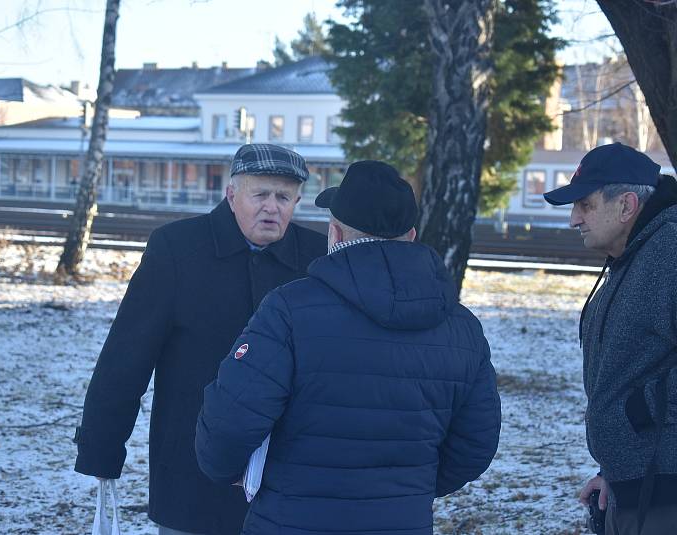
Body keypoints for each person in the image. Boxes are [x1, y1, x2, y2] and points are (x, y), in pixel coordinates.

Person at [195, 160, 501, 534]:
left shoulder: (289, 311)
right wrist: (405, 490)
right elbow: (475, 445)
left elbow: (229, 426)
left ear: (335, 234)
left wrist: (232, 472)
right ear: (413, 235)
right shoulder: (462, 328)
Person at [74, 144, 327, 535]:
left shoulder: (316, 259)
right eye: (260, 195)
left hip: (290, 473)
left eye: (283, 197)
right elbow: (127, 355)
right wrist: (101, 448)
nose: (272, 208)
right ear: (231, 194)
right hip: (192, 468)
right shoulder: (177, 249)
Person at [543, 142, 677, 534]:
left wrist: (643, 410)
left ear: (626, 205)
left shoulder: (669, 255)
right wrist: (614, 473)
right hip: (635, 491)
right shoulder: (633, 258)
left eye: (584, 205)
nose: (573, 219)